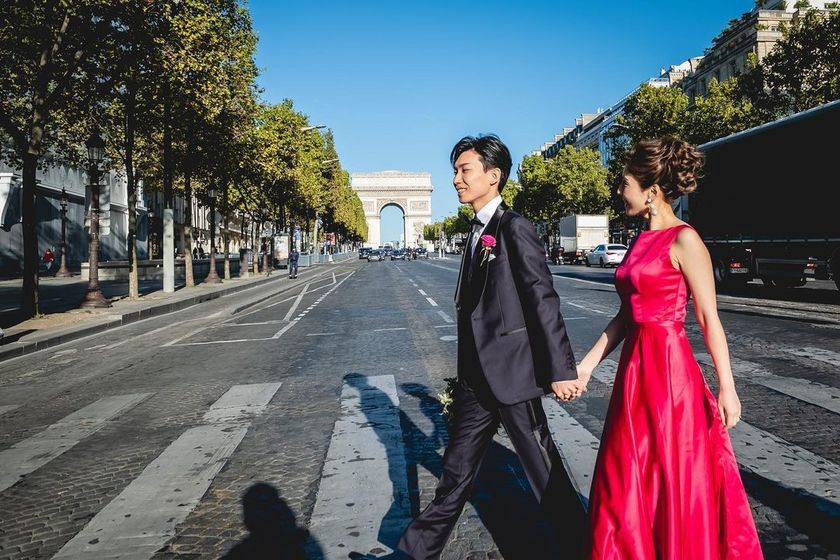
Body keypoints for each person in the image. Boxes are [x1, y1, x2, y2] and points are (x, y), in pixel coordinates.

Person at [569, 138, 763, 559]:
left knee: (670, 477)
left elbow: (709, 319)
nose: (619, 191)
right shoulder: (639, 241)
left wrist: (727, 387)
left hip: (670, 377)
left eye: (625, 184)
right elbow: (626, 316)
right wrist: (586, 366)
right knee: (623, 477)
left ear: (651, 192)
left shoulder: (685, 240)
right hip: (633, 375)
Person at [397, 135, 585, 560]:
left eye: (465, 170)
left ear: (494, 176)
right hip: (475, 382)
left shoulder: (513, 227)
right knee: (455, 472)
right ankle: (416, 552)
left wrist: (561, 369)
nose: (456, 179)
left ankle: (583, 548)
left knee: (544, 474)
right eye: (455, 171)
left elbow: (542, 299)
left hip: (513, 375)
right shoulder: (475, 232)